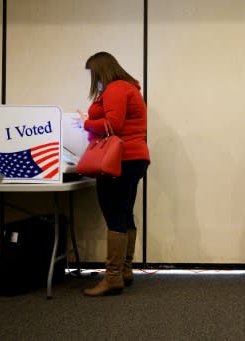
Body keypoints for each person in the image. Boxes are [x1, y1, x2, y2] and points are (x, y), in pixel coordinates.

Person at [76, 51, 150, 297]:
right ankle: (124, 271)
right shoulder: (129, 88)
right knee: (125, 212)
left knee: (114, 213)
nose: (93, 81)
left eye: (93, 75)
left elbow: (113, 125)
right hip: (133, 158)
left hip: (119, 160)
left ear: (101, 71)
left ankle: (113, 277)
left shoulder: (116, 89)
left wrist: (85, 122)